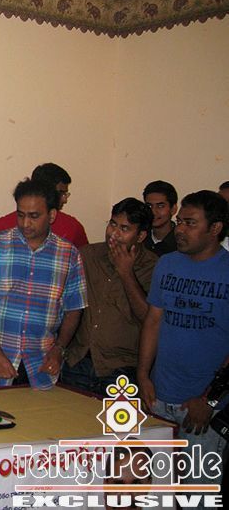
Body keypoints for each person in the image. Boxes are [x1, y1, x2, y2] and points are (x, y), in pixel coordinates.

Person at [138, 190, 228, 497]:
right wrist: (143, 375)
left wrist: (209, 399)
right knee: (156, 492)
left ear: (215, 228)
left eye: (190, 223)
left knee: (197, 495)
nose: (180, 229)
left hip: (202, 409)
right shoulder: (168, 264)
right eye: (180, 222)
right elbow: (153, 321)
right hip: (159, 398)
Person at [0, 178, 87, 390]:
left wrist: (59, 349)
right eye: (20, 215)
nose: (25, 223)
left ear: (52, 215)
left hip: (42, 363)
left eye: (34, 216)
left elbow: (74, 309)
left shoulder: (69, 254)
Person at [62, 198, 158, 396]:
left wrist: (126, 273)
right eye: (113, 224)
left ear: (141, 236)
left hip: (121, 368)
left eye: (124, 228)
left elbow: (148, 318)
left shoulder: (153, 267)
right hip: (78, 361)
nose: (114, 233)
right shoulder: (88, 255)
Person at [0, 163, 89, 248]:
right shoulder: (5, 226)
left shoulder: (72, 227)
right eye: (61, 193)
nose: (65, 199)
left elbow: (87, 260)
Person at [142, 180, 178, 256]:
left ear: (173, 209)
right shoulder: (139, 239)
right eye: (149, 206)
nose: (153, 212)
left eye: (160, 206)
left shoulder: (181, 242)